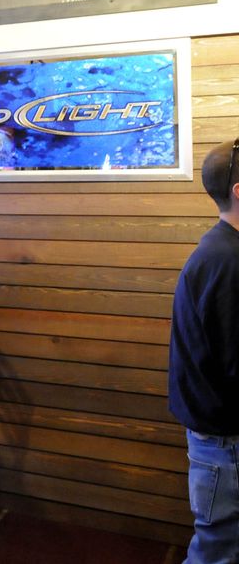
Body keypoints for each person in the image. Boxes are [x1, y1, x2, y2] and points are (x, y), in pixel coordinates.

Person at [169, 139, 239, 564]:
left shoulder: (222, 250)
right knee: (218, 551)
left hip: (219, 431)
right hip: (224, 438)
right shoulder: (225, 260)